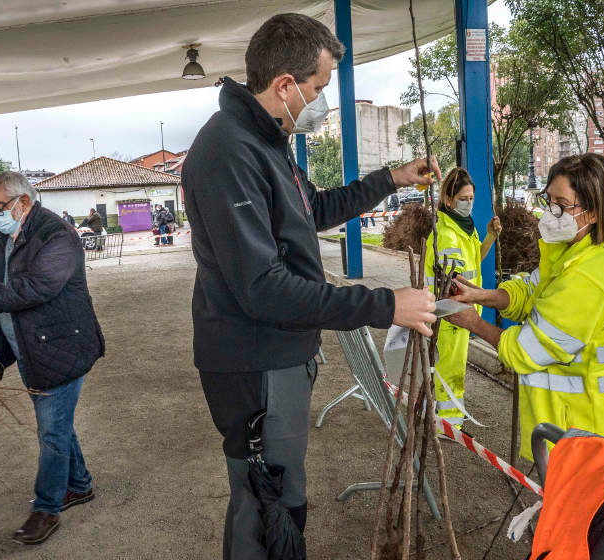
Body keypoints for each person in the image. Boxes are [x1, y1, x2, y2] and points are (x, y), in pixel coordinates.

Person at [182, 14, 439, 559]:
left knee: (281, 490)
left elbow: (311, 210)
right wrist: (385, 304)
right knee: (267, 499)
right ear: (284, 86)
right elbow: (264, 289)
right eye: (318, 88)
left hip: (280, 351)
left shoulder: (267, 140)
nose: (320, 101)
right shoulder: (229, 149)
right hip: (256, 357)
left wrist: (390, 179)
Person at [445, 153, 604, 460]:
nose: (549, 213)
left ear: (594, 212)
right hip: (582, 423)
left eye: (561, 205)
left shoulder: (589, 278)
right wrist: (482, 295)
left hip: (591, 431)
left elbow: (525, 352)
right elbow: (531, 290)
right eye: (548, 200)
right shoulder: (580, 251)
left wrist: (473, 322)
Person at [0, 171, 104, 544]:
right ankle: (79, 484)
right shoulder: (2, 234)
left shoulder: (57, 235)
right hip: (30, 349)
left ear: (23, 203)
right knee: (58, 422)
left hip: (61, 347)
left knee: (51, 431)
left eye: (0, 206)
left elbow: (38, 286)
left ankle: (46, 508)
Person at [422, 167, 501, 428]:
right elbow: (453, 281)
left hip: (460, 310)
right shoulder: (447, 234)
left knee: (450, 366)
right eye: (463, 199)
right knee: (450, 369)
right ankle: (448, 424)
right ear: (448, 199)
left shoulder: (464, 228)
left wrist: (490, 235)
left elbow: (473, 262)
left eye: (471, 198)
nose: (468, 204)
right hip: (450, 313)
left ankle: (444, 417)